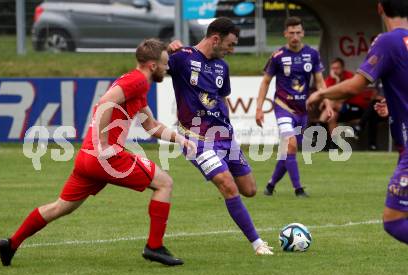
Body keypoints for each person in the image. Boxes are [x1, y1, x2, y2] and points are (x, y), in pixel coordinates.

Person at [0, 38, 196, 266]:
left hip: (88, 158)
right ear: (153, 66)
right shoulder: (138, 81)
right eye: (165, 63)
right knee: (165, 183)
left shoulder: (137, 86)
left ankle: (11, 244)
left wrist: (179, 138)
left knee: (60, 207)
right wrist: (103, 143)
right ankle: (154, 246)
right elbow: (104, 103)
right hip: (106, 158)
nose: (167, 67)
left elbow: (150, 126)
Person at [167, 17, 273, 255]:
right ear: (215, 39)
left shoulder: (221, 67)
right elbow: (149, 61)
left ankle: (223, 179)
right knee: (228, 186)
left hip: (225, 138)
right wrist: (167, 47)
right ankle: (258, 244)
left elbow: (222, 98)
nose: (232, 50)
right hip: (197, 140)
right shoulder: (183, 58)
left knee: (250, 189)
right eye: (231, 44)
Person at [307, 0, 408, 245]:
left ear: (380, 8)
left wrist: (321, 93)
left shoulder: (388, 41)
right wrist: (394, 107)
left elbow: (355, 86)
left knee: (395, 221)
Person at [255, 16, 333, 197]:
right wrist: (259, 108)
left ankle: (270, 185)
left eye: (298, 32)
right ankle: (298, 189)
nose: (295, 36)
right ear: (285, 34)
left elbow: (320, 82)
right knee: (291, 145)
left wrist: (327, 103)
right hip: (283, 107)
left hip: (302, 110)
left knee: (287, 151)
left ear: (303, 33)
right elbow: (265, 82)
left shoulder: (312, 55)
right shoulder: (277, 56)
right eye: (291, 33)